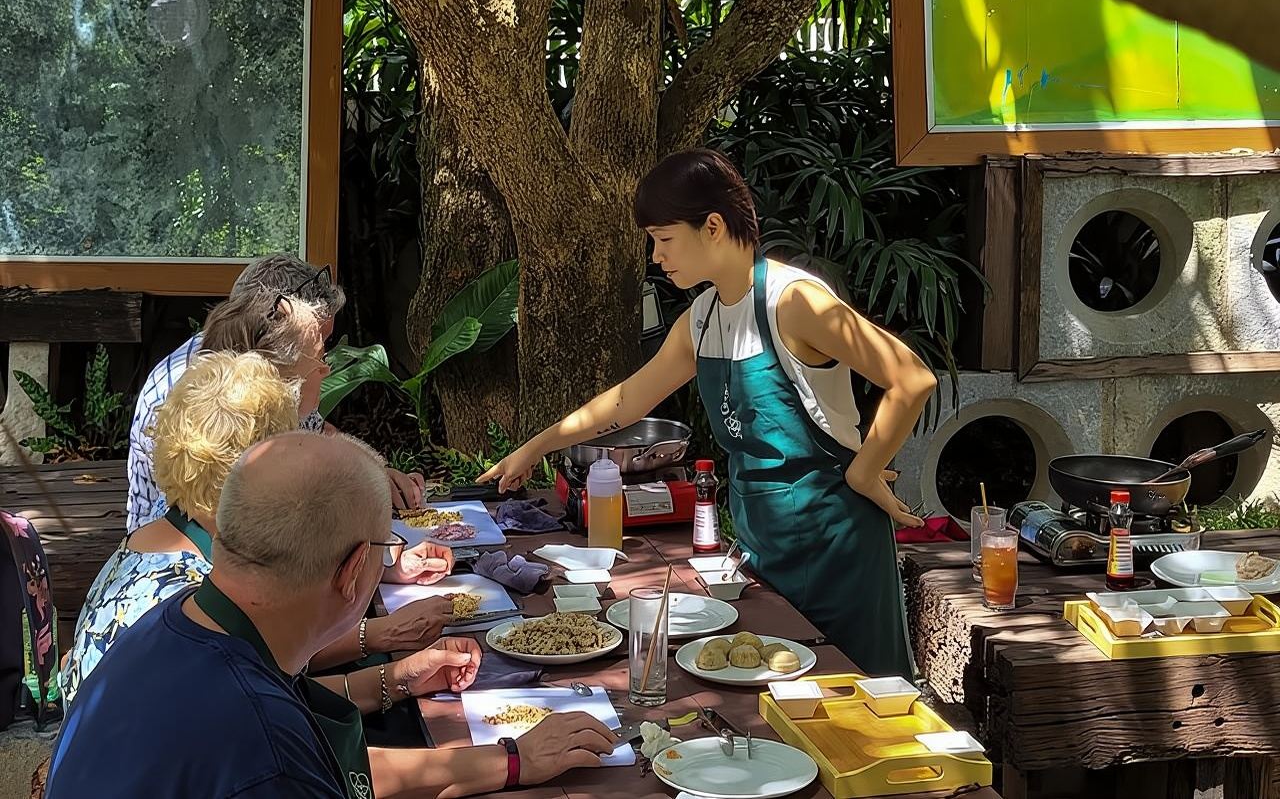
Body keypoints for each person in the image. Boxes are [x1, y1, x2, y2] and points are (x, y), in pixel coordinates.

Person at [481, 149, 937, 677]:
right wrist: (534, 448)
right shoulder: (701, 318)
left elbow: (912, 377)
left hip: (836, 544)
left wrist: (864, 470)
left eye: (664, 238)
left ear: (713, 226)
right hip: (764, 543)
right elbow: (627, 402)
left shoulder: (795, 300)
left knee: (859, 704)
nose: (656, 256)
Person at [46, 433, 617, 798]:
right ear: (350, 575)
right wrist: (515, 758)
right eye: (384, 547)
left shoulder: (178, 619)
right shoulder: (261, 749)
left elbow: (326, 751)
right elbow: (283, 755)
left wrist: (402, 683)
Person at [61, 350, 453, 706]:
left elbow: (270, 667)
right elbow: (264, 707)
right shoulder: (193, 600)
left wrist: (385, 648)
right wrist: (393, 675)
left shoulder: (165, 538)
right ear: (254, 472)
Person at [125, 253, 424, 532]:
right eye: (319, 346)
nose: (327, 366)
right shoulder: (201, 399)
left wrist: (375, 472)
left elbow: (316, 430)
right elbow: (232, 528)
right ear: (272, 344)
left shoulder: (258, 373)